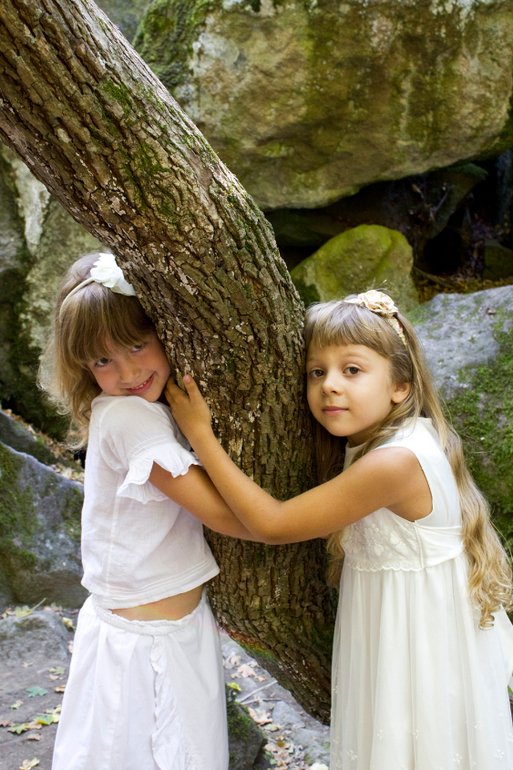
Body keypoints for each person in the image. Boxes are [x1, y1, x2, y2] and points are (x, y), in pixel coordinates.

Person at [166, 289, 513, 770]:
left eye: (352, 370)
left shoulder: (394, 462)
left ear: (400, 386)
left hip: (416, 635)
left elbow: (274, 524)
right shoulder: (389, 439)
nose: (329, 385)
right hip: (397, 617)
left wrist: (201, 436)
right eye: (317, 371)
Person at [41, 252, 261, 770]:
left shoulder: (136, 410)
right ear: (82, 368)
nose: (129, 371)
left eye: (137, 345)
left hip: (157, 631)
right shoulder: (130, 421)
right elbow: (230, 518)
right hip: (144, 650)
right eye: (103, 361)